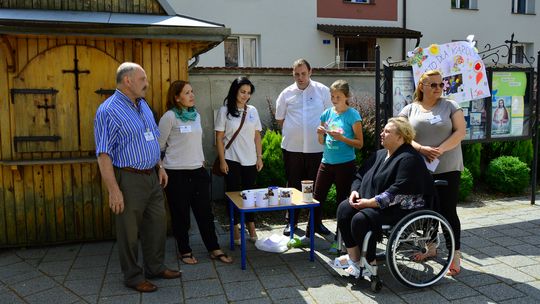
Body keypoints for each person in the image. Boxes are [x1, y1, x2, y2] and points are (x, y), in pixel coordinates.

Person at [94, 62, 181, 293]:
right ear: (128, 81)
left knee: (157, 224)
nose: (147, 84)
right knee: (129, 231)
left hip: (152, 176)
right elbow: (103, 154)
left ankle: (155, 267)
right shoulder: (108, 110)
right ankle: (133, 276)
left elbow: (152, 138)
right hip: (128, 179)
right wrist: (114, 190)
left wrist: (160, 166)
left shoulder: (143, 105)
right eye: (143, 80)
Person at [334, 117, 434, 278]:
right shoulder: (380, 154)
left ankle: (369, 263)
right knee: (344, 209)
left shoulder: (409, 159)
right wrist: (354, 192)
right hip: (376, 202)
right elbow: (360, 176)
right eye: (383, 130)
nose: (382, 134)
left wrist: (370, 203)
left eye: (387, 131)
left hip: (401, 208)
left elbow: (398, 191)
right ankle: (354, 258)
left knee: (360, 219)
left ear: (401, 137)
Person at [399, 69, 466, 276]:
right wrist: (421, 149)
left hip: (447, 166)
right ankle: (430, 247)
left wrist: (440, 150)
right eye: (433, 85)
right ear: (422, 86)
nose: (438, 88)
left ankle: (455, 254)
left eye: (441, 84)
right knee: (427, 209)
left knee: (447, 210)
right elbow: (400, 132)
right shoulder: (410, 109)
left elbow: (461, 131)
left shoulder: (450, 106)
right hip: (421, 168)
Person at [158, 80, 233, 265]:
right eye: (187, 93)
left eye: (192, 91)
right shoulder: (169, 117)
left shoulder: (196, 116)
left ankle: (214, 248)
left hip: (198, 172)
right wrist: (160, 169)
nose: (192, 95)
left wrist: (200, 161)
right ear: (176, 97)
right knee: (181, 215)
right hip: (176, 174)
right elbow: (158, 147)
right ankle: (185, 250)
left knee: (205, 213)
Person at [275, 58, 333, 236]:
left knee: (317, 188)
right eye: (297, 74)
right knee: (293, 186)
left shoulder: (323, 91)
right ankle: (290, 222)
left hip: (317, 148)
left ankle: (315, 223)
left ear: (310, 72)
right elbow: (280, 119)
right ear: (293, 74)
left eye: (303, 74)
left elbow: (331, 116)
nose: (300, 77)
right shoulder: (286, 94)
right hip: (293, 149)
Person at [314, 80, 363, 249]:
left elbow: (359, 143)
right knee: (316, 198)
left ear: (347, 97)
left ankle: (340, 239)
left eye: (338, 96)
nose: (334, 99)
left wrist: (342, 138)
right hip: (326, 162)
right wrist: (320, 133)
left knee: (342, 202)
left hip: (345, 164)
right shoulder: (327, 114)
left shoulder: (353, 115)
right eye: (332, 96)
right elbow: (322, 141)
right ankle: (309, 233)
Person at [215, 76, 263, 245]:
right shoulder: (224, 111)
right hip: (231, 158)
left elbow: (257, 136)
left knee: (250, 195)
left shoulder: (253, 111)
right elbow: (219, 138)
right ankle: (235, 226)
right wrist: (222, 161)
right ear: (235, 91)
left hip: (250, 159)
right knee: (233, 194)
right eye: (242, 92)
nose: (245, 96)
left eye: (248, 93)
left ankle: (251, 225)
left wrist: (259, 157)